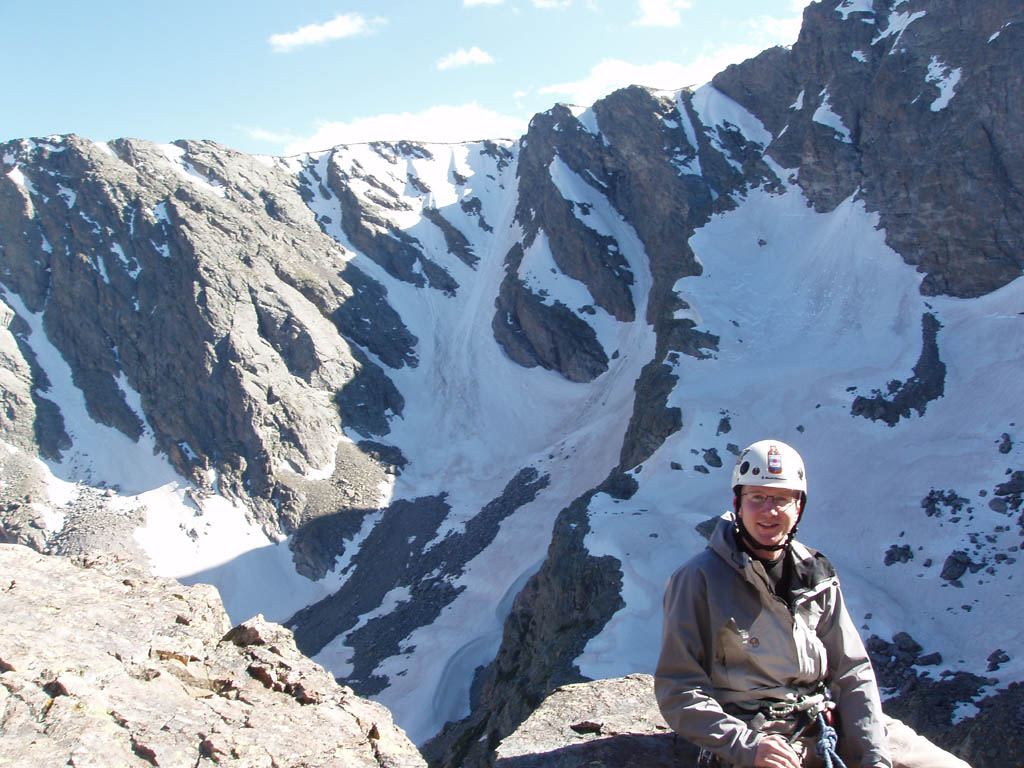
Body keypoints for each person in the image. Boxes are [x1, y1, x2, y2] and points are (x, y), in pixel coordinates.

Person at [654, 439, 971, 768]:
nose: (769, 511)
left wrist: (874, 758)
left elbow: (852, 673)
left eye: (781, 499)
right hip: (759, 737)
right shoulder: (698, 579)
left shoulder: (816, 573)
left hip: (823, 725)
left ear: (798, 508)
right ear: (738, 502)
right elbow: (678, 688)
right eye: (757, 498)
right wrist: (744, 746)